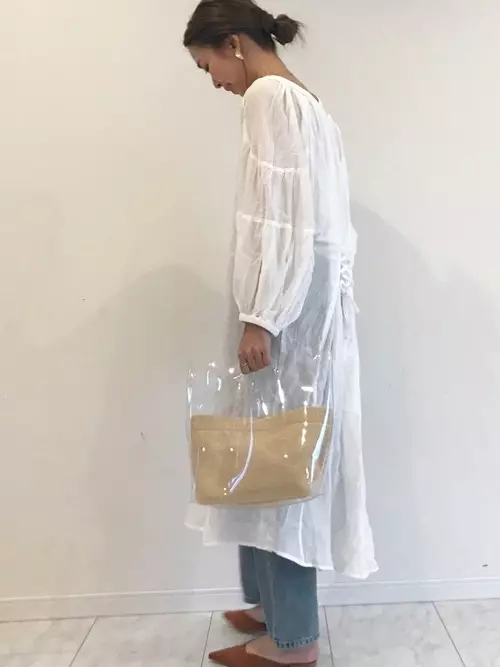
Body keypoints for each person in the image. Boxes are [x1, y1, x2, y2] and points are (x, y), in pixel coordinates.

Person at [183, 2, 378, 665]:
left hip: (290, 318)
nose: (214, 82)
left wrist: (262, 314)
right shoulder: (306, 101)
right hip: (312, 316)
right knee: (269, 455)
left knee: (277, 466)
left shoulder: (267, 96)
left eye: (207, 65)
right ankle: (271, 606)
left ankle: (292, 642)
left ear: (233, 44)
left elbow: (279, 218)